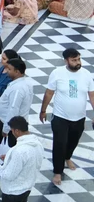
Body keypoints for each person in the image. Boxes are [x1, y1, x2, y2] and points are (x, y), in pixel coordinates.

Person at [39, 46, 94, 186]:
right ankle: (58, 171)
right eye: (74, 60)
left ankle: (68, 157)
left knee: (73, 141)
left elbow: (92, 95)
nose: (77, 62)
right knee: (59, 144)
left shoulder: (86, 74)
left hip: (79, 117)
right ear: (66, 61)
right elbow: (49, 93)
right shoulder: (57, 73)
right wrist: (43, 110)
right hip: (60, 117)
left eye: (79, 59)